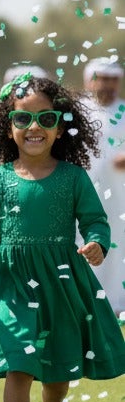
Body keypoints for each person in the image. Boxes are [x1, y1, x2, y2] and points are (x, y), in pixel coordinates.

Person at [0, 72, 125, 402]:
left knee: (58, 369)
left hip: (62, 280)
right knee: (20, 360)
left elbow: (96, 221)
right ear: (8, 126)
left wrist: (97, 244)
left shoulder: (72, 177)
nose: (34, 128)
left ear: (60, 125)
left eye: (46, 120)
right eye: (23, 119)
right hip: (12, 280)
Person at [80, 57, 125, 319]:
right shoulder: (76, 113)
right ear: (89, 80)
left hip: (119, 199)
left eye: (113, 79)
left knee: (118, 247)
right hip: (82, 196)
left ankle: (117, 304)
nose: (108, 85)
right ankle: (85, 303)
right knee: (83, 244)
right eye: (102, 78)